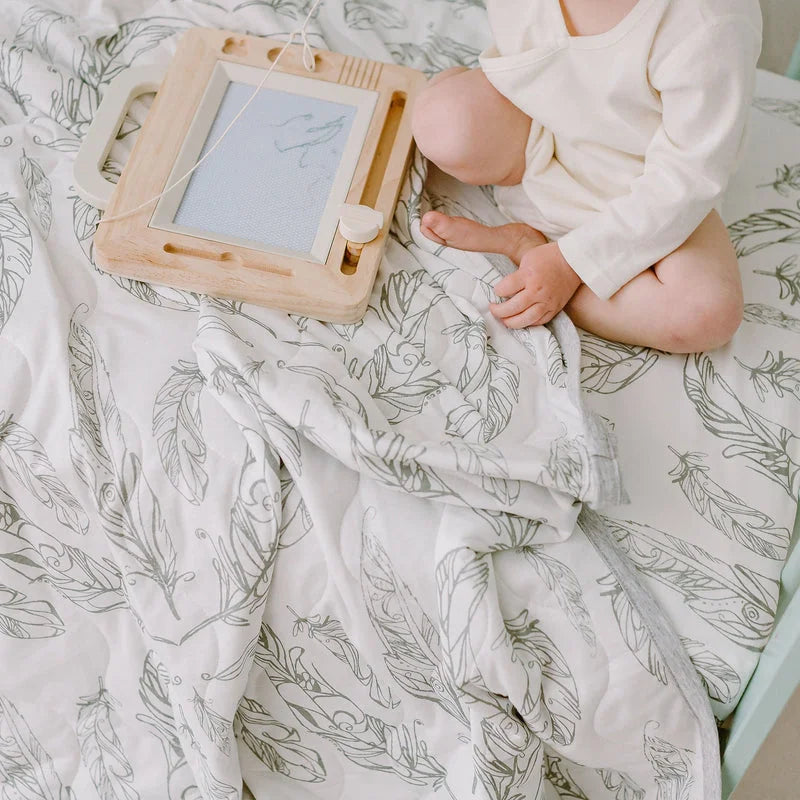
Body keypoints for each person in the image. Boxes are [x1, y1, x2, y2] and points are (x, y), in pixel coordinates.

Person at [411, 0, 763, 352]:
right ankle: (547, 257)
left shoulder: (708, 22)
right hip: (542, 131)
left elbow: (687, 179)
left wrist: (571, 263)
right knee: (441, 121)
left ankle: (529, 250)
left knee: (704, 314)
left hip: (651, 189)